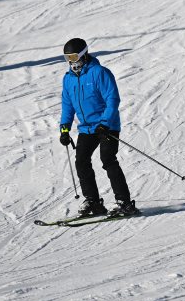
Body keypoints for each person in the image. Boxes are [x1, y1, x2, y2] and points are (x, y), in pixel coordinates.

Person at [59, 38, 139, 218]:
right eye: (67, 58)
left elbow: (112, 99)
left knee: (107, 159)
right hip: (86, 129)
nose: (71, 62)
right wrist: (64, 129)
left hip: (106, 126)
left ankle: (125, 203)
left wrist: (105, 123)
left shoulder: (99, 73)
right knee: (81, 161)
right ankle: (93, 202)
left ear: (83, 54)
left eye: (73, 56)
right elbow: (67, 106)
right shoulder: (68, 79)